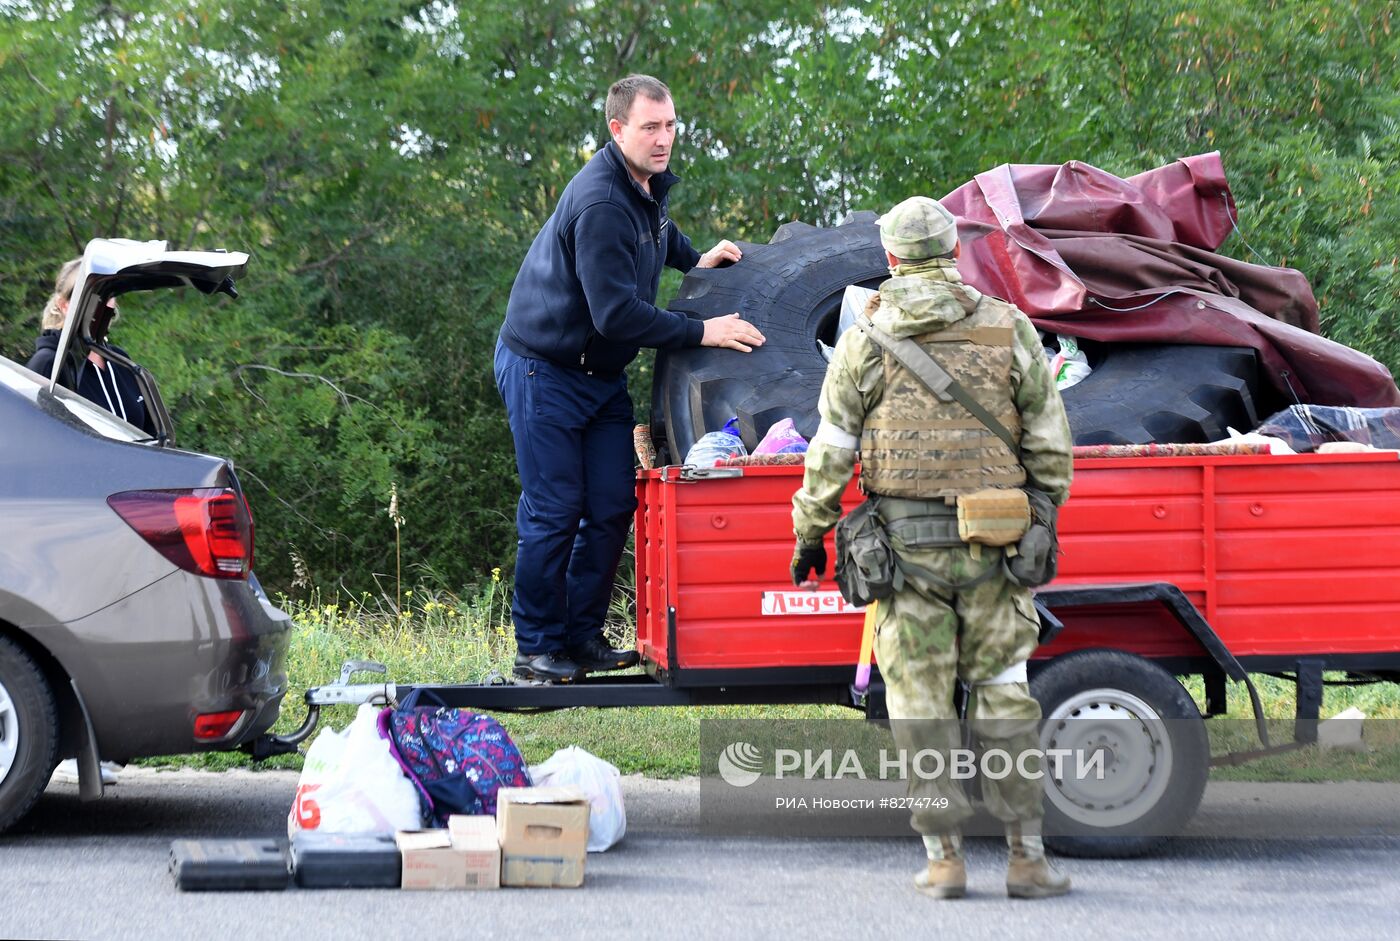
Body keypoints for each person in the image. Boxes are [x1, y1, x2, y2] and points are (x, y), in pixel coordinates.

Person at [789, 196, 1074, 899]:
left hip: (904, 556)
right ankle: (1027, 858)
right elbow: (1051, 445)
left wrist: (809, 533)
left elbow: (831, 452)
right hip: (996, 547)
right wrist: (1037, 515)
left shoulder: (864, 339)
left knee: (919, 702)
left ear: (890, 260)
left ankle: (944, 858)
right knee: (1005, 696)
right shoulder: (1009, 329)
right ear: (953, 252)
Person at [496, 74, 766, 683]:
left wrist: (695, 258)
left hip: (598, 375)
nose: (663, 138)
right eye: (650, 127)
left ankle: (583, 639)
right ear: (617, 130)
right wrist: (703, 331)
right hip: (544, 369)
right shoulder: (599, 203)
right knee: (555, 508)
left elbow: (657, 232)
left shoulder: (643, 183)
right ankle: (536, 648)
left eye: (670, 125)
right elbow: (614, 314)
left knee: (615, 502)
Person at [27, 257, 156, 435]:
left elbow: (155, 436)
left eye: (108, 295)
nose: (102, 304)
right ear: (64, 305)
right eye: (92, 296)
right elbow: (36, 439)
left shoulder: (121, 361)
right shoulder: (48, 364)